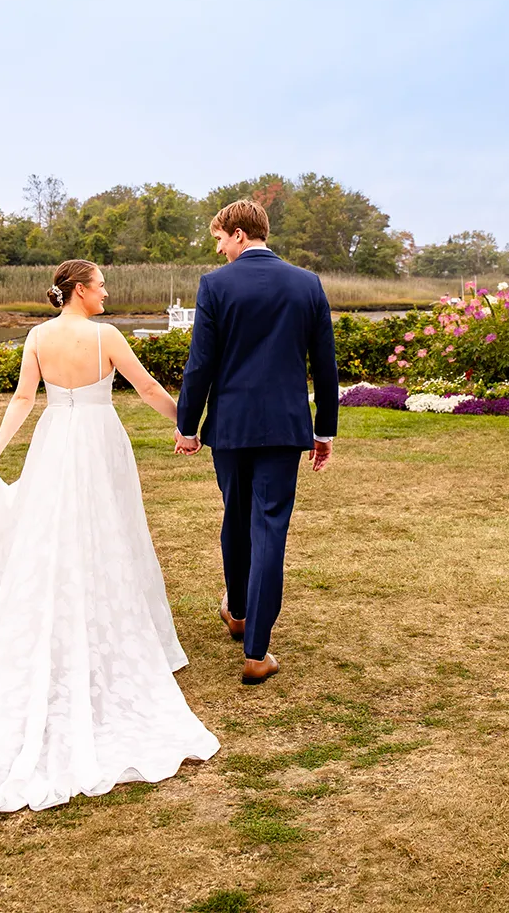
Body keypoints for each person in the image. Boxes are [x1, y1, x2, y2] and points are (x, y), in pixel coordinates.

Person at [0, 259, 217, 814]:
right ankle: (99, 617)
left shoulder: (38, 337)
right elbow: (144, 388)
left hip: (54, 437)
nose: (106, 292)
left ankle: (66, 608)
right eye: (100, 284)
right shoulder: (105, 336)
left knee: (51, 529)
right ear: (79, 290)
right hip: (97, 437)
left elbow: (24, 399)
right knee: (105, 528)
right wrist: (187, 428)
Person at [174, 199, 339, 685]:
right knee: (269, 525)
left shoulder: (215, 285)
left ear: (241, 234)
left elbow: (200, 363)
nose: (220, 248)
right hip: (285, 428)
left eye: (221, 239)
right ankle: (255, 647)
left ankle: (242, 611)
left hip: (230, 427)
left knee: (236, 514)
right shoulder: (307, 284)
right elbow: (325, 366)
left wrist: (188, 425)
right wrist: (323, 430)